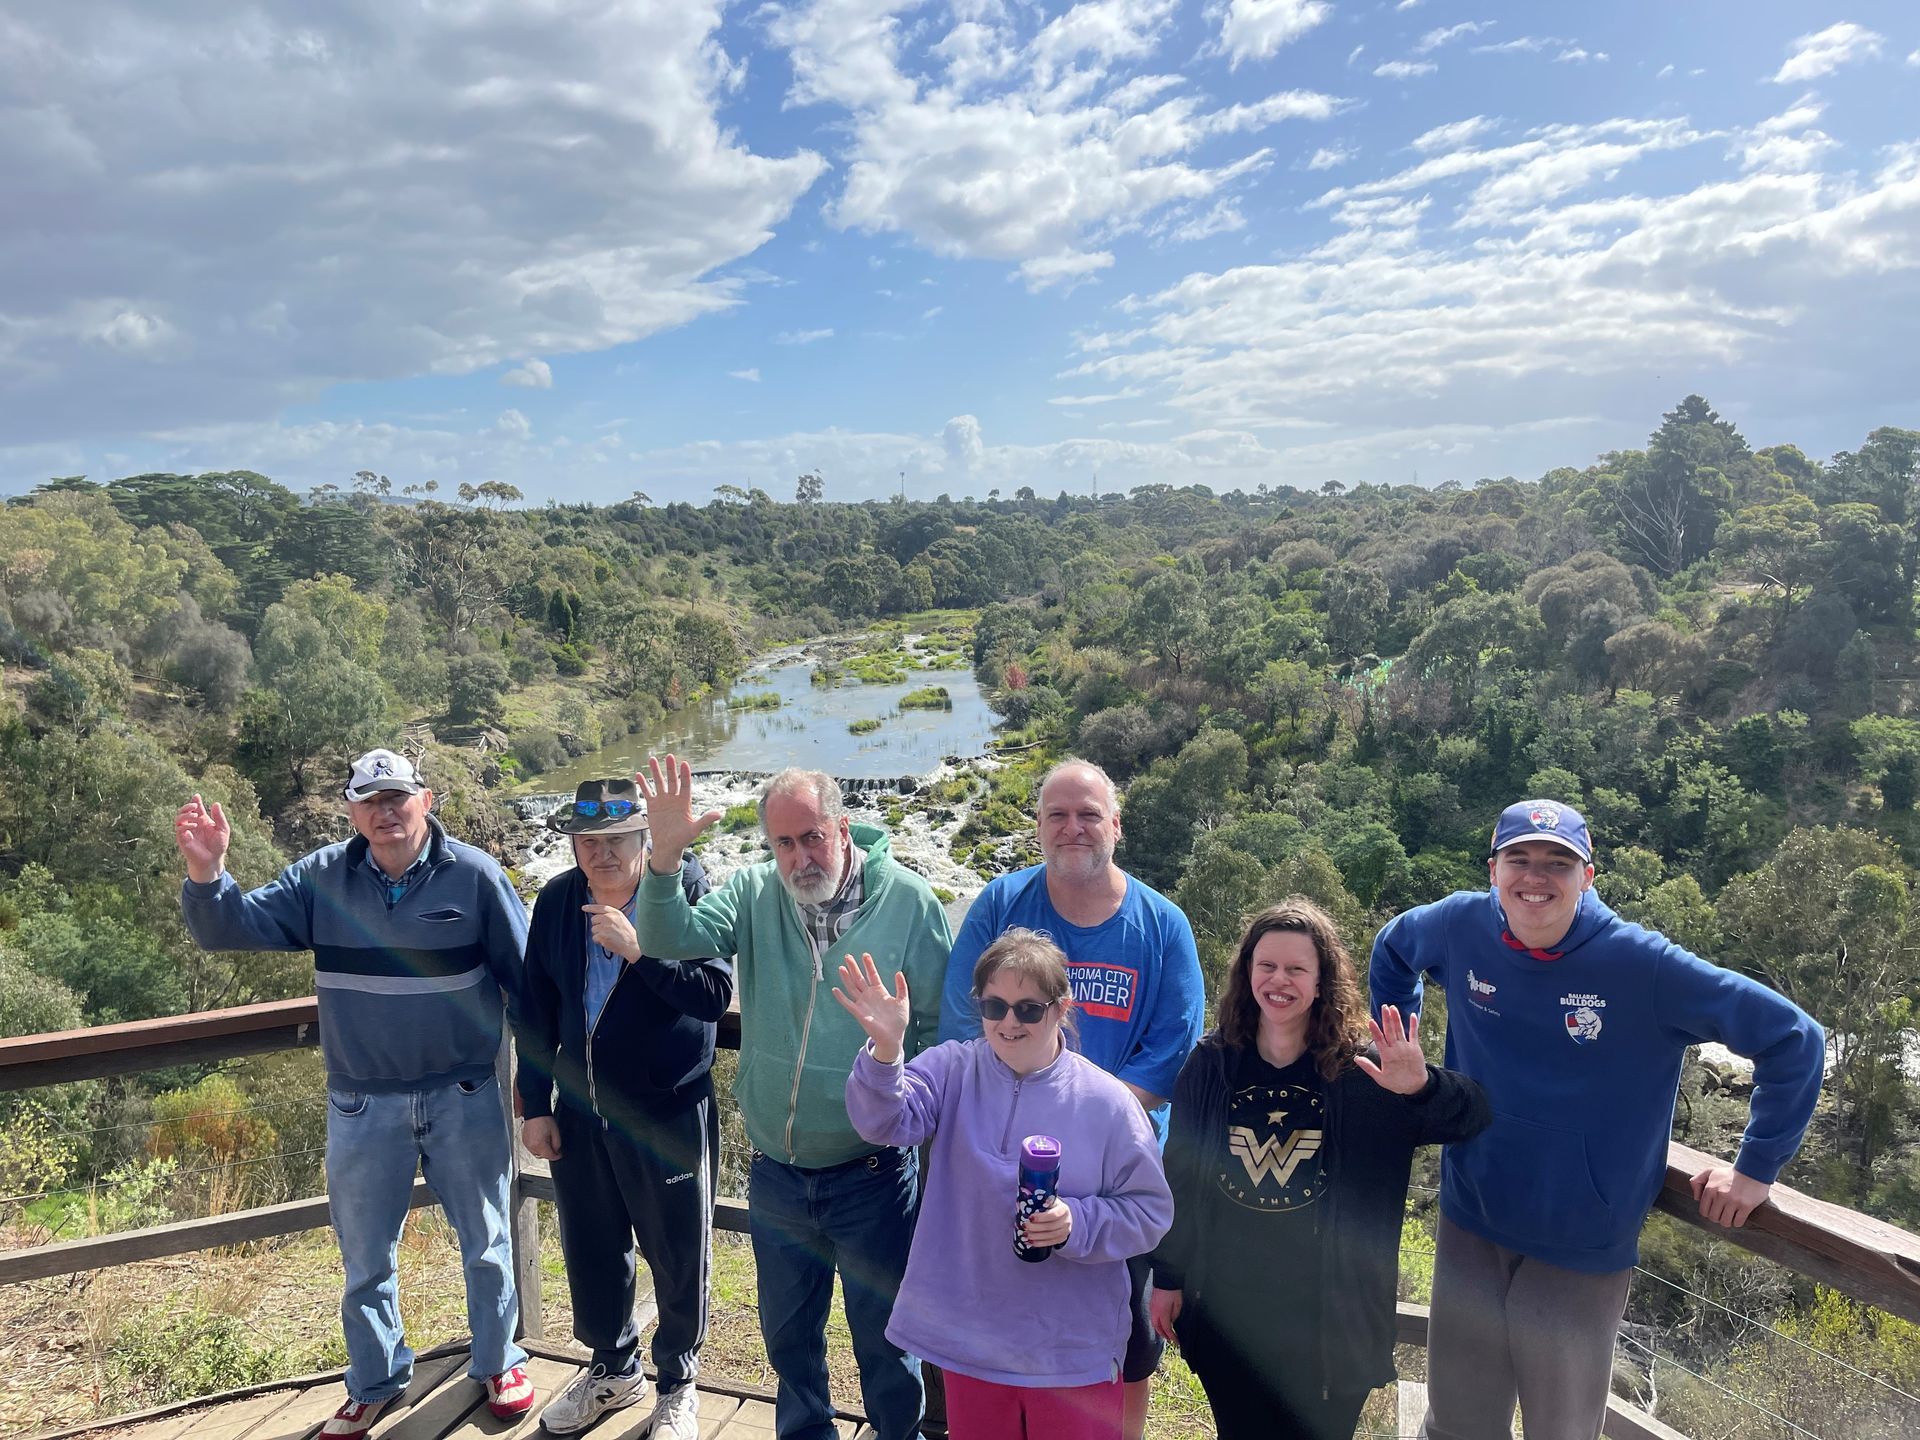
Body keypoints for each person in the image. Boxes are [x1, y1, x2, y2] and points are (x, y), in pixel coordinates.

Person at [1369, 798, 1826, 1440]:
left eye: (1558, 862)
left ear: (1588, 877)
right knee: (1457, 1423)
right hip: (1471, 1211)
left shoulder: (1644, 966)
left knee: (1561, 1430)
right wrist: (1397, 1045)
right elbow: (1392, 948)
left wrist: (1755, 1169)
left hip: (1581, 1239)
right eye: (1519, 859)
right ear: (1493, 870)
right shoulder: (1459, 925)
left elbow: (1795, 1038)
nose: (1536, 877)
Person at [175, 749, 534, 1436]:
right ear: (352, 810)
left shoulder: (477, 878)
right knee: (366, 1258)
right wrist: (207, 871)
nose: (385, 810)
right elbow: (226, 928)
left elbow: (528, 990)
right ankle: (374, 1379)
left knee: (486, 1243)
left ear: (425, 800)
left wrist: (539, 1093)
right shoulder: (321, 878)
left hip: (463, 1095)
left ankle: (498, 1360)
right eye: (370, 799)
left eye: (397, 795)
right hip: (361, 1104)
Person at [632, 755, 953, 1440]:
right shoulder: (754, 892)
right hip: (778, 1172)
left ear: (844, 828)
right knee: (789, 1345)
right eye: (784, 842)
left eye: (812, 837)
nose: (801, 856)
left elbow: (943, 1034)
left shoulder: (909, 904)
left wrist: (896, 1077)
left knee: (889, 1347)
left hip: (872, 1173)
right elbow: (665, 938)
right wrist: (663, 857)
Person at [1149, 899, 1490, 1440]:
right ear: (1247, 973)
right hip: (1229, 1319)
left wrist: (1420, 1086)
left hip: (1330, 1327)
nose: (1278, 981)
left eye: (1296, 969)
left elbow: (1472, 1114)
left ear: (1322, 980)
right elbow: (1182, 1181)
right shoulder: (1211, 1066)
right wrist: (1167, 1277)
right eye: (1266, 966)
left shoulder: (1363, 1074)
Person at [936, 757, 1204, 1440]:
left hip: (1119, 1177)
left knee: (1124, 1351)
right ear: (1038, 828)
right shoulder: (1001, 904)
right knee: (998, 1330)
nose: (1073, 827)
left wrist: (1080, 1121)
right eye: (1057, 814)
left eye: (1089, 814)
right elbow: (965, 1022)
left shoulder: (1163, 925)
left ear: (1116, 825)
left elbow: (1171, 1051)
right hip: (1001, 1168)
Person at [838, 930, 1174, 1440]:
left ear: (1062, 1008)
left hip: (1069, 1355)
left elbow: (1149, 1213)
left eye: (1028, 1009)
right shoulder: (952, 1068)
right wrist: (886, 1052)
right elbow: (884, 1122)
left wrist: (1076, 1222)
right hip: (972, 1343)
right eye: (994, 1006)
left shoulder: (1108, 1103)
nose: (1009, 1023)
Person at [514, 779, 732, 1439]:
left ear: (645, 839)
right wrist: (536, 1102)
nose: (601, 854)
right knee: (592, 1245)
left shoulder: (687, 891)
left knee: (676, 1252)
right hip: (580, 1112)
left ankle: (677, 1383)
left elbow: (713, 994)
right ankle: (613, 1370)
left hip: (665, 1109)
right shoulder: (558, 900)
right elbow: (534, 1007)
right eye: (588, 841)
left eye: (616, 839)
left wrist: (641, 952)